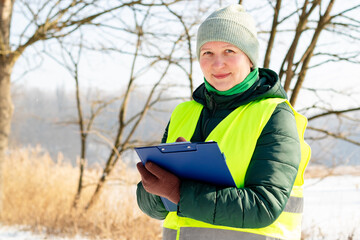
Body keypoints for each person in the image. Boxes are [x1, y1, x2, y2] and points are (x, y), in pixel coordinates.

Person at [136, 4, 311, 240]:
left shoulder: (274, 115)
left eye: (229, 51)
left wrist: (179, 192)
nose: (217, 64)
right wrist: (152, 189)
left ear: (250, 59)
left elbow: (264, 206)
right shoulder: (183, 113)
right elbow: (156, 207)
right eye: (207, 52)